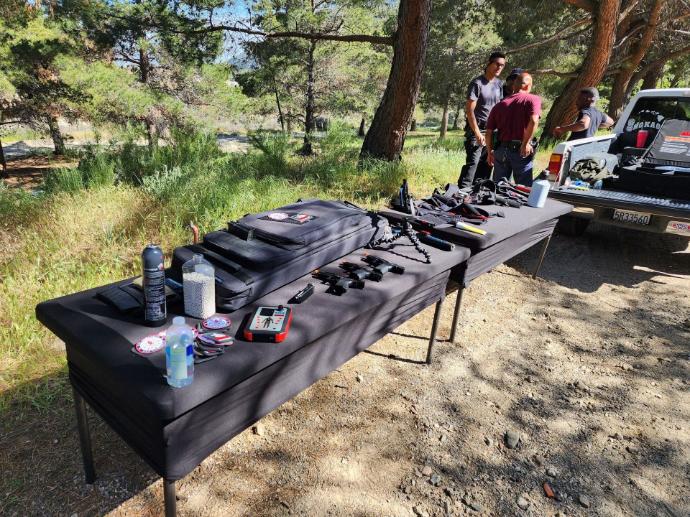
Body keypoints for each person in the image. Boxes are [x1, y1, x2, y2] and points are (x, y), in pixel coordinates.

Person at [458, 51, 506, 188]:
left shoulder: (499, 84)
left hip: (492, 131)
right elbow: (469, 110)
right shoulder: (477, 83)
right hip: (477, 130)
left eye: (502, 65)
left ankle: (479, 193)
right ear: (489, 63)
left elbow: (499, 108)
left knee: (487, 164)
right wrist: (477, 133)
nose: (499, 67)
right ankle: (462, 193)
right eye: (497, 64)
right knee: (473, 164)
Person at [485, 72, 541, 186]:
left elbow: (488, 132)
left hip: (501, 151)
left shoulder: (499, 105)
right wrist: (526, 144)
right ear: (527, 86)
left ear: (514, 86)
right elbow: (534, 121)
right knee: (524, 189)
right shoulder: (533, 99)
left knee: (498, 189)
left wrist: (489, 153)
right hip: (520, 151)